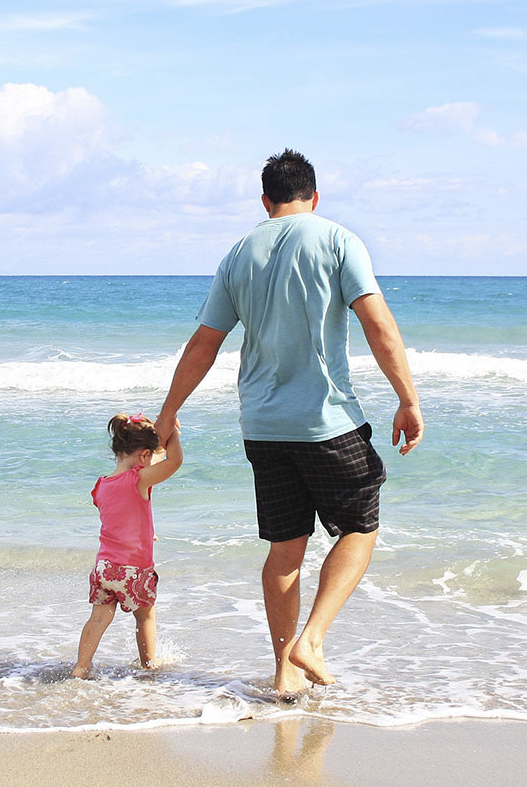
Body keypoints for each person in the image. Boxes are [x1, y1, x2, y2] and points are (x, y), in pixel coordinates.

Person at [154, 149, 422, 695]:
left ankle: (283, 674)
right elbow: (377, 324)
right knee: (360, 527)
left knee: (284, 548)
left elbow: (205, 343)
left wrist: (169, 410)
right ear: (314, 197)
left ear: (265, 200)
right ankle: (312, 640)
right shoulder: (338, 239)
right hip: (324, 421)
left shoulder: (238, 254)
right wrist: (408, 399)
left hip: (262, 425)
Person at [72, 413, 183, 678]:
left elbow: (121, 516)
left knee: (98, 618)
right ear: (144, 456)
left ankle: (81, 667)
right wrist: (174, 434)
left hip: (104, 569)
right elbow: (174, 461)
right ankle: (149, 665)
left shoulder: (101, 486)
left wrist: (147, 531)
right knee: (145, 617)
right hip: (134, 570)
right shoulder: (138, 480)